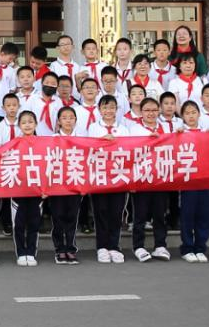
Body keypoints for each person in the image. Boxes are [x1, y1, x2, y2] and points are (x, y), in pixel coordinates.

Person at [127, 97, 171, 262]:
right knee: (140, 215)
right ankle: (138, 246)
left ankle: (160, 245)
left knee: (160, 214)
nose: (151, 113)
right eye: (147, 110)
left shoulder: (166, 127)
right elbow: (129, 152)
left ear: (159, 111)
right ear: (141, 112)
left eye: (154, 110)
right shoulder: (134, 129)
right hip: (141, 178)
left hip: (160, 177)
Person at [87, 95, 129, 264]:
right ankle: (102, 247)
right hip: (100, 176)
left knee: (116, 212)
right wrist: (102, 142)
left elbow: (130, 150)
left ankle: (114, 246)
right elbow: (88, 148)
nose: (109, 111)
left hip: (119, 176)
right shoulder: (93, 128)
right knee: (101, 211)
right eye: (105, 108)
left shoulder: (123, 129)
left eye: (112, 107)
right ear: (99, 110)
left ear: (117, 109)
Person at [177, 100, 209, 263]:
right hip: (188, 180)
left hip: (205, 179)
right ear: (182, 116)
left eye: (193, 112)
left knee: (205, 215)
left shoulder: (207, 132)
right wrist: (177, 135)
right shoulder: (179, 132)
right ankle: (187, 248)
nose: (191, 116)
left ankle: (200, 247)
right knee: (187, 215)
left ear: (199, 114)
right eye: (187, 113)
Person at [48, 106, 83, 265]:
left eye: (71, 117)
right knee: (58, 217)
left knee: (72, 217)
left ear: (76, 120)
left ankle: (70, 248)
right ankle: (59, 249)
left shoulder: (82, 138)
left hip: (75, 183)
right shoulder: (52, 139)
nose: (68, 120)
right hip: (57, 185)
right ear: (59, 122)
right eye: (64, 118)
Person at [10, 110, 42, 267]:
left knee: (34, 224)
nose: (27, 125)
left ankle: (31, 252)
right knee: (19, 224)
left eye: (30, 122)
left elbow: (47, 167)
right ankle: (21, 253)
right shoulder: (14, 143)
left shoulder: (43, 143)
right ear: (19, 125)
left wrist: (46, 189)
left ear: (36, 124)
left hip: (37, 190)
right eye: (23, 122)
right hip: (19, 190)